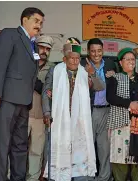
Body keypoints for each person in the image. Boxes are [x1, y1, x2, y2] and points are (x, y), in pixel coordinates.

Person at [41, 42, 105, 181]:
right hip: (59, 121)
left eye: (77, 58)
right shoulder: (55, 71)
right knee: (58, 154)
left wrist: (92, 74)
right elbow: (46, 92)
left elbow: (100, 87)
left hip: (79, 122)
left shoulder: (84, 71)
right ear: (65, 59)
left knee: (79, 155)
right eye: (72, 58)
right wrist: (46, 112)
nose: (75, 61)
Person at [0, 7, 45, 180]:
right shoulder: (10, 34)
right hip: (6, 99)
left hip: (24, 102)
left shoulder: (33, 44)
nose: (39, 25)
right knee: (2, 145)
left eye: (41, 23)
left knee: (20, 145)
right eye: (36, 21)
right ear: (24, 20)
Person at [106, 47, 138, 181]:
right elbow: (110, 97)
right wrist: (129, 104)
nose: (131, 62)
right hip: (121, 123)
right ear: (120, 63)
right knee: (120, 159)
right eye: (127, 59)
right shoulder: (114, 78)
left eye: (133, 59)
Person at [81, 38, 116, 181]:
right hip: (88, 111)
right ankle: (87, 177)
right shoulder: (82, 65)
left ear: (103, 51)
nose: (96, 54)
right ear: (88, 52)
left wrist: (114, 76)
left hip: (106, 111)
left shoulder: (109, 64)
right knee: (86, 146)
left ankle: (104, 177)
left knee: (104, 148)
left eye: (99, 51)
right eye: (93, 51)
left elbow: (117, 84)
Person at [26, 35, 55, 181]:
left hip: (40, 117)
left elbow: (53, 92)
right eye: (42, 47)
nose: (44, 51)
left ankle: (32, 178)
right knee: (16, 149)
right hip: (22, 115)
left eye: (48, 49)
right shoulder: (25, 63)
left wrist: (45, 89)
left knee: (36, 152)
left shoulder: (53, 69)